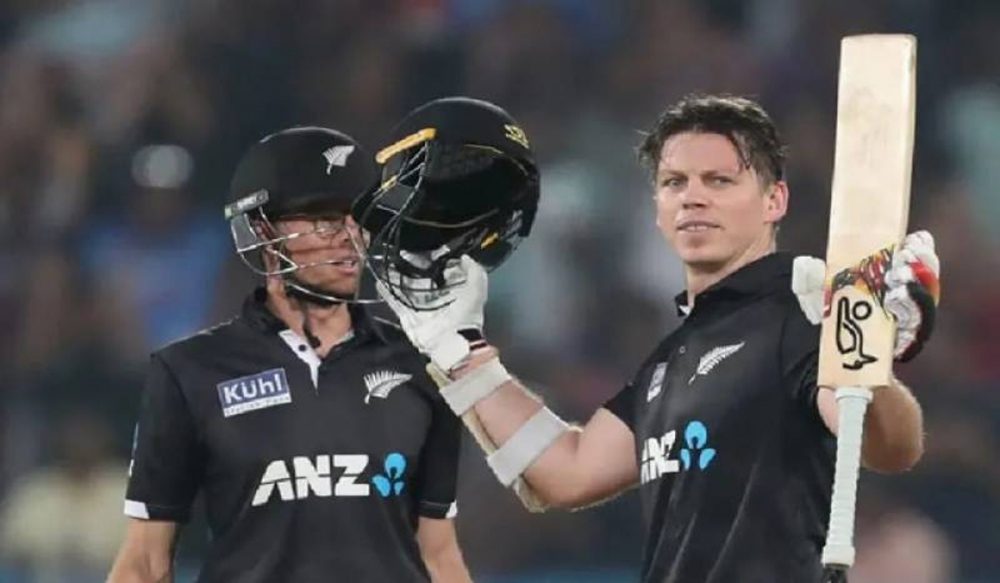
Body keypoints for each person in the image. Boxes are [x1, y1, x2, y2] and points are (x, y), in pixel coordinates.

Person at [375, 94, 941, 582]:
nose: (693, 197)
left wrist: (869, 365)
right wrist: (458, 349)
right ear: (658, 210)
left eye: (719, 180)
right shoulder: (673, 358)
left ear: (775, 201)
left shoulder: (799, 315)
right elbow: (568, 471)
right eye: (675, 183)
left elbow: (890, 446)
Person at [107, 127, 472, 583]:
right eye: (324, 220)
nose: (349, 237)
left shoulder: (421, 366)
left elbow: (438, 556)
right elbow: (145, 563)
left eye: (359, 218)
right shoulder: (189, 372)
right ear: (261, 231)